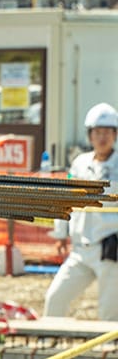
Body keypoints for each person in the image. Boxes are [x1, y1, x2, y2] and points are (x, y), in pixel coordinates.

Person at [44, 102, 118, 320]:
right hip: (80, 249)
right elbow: (66, 198)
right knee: (55, 298)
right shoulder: (79, 164)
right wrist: (60, 233)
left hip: (110, 250)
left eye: (107, 132)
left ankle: (109, 353)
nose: (101, 137)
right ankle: (47, 343)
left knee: (109, 311)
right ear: (90, 135)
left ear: (115, 134)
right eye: (97, 132)